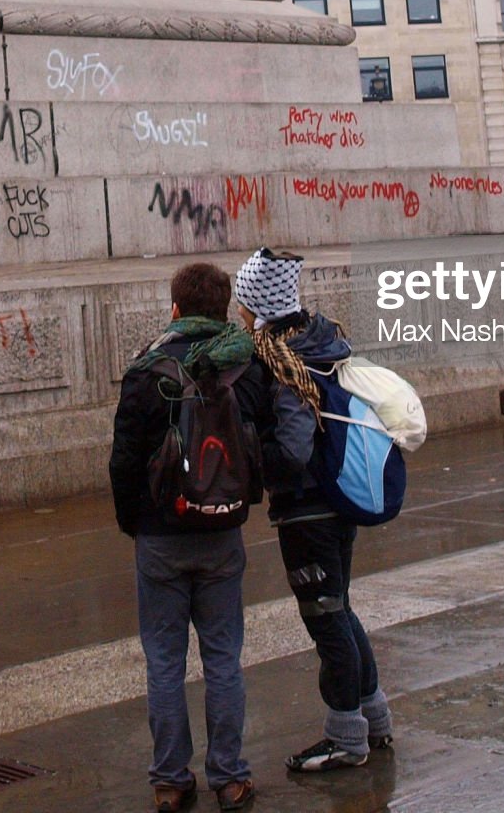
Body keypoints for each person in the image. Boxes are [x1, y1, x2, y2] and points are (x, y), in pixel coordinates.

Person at [110, 261, 269, 812]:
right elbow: (262, 447)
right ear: (224, 312)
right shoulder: (245, 369)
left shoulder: (145, 371)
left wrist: (135, 524)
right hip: (222, 531)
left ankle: (170, 782)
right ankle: (229, 777)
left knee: (164, 661)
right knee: (223, 658)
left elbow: (123, 462)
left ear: (175, 309)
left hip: (160, 535)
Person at [234, 248, 394, 774]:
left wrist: (253, 455)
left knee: (326, 622)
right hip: (336, 500)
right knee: (340, 610)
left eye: (242, 304)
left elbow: (293, 447)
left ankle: (346, 738)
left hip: (308, 511)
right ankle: (374, 718)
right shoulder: (319, 340)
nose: (238, 313)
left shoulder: (285, 362)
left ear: (258, 308)